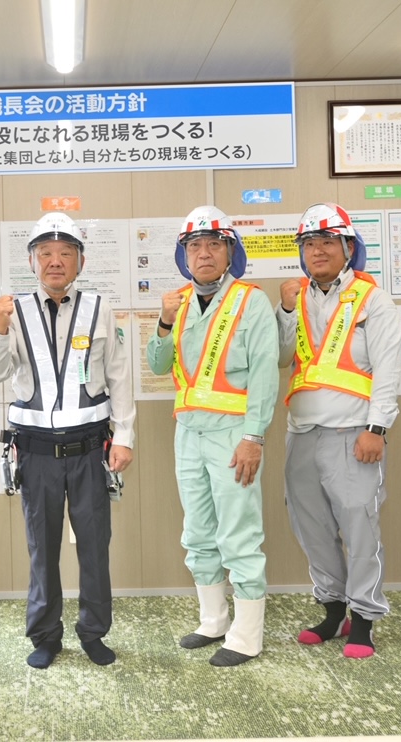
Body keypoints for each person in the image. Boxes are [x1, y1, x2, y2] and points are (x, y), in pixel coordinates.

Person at [0, 212, 136, 669]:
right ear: (32, 261)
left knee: (94, 546)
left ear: (80, 261)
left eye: (65, 253)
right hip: (36, 452)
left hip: (91, 449)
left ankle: (93, 631)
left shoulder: (99, 308)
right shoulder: (14, 312)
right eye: (46, 253)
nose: (55, 261)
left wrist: (125, 436)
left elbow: (119, 376)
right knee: (42, 548)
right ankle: (45, 635)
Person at [146, 205, 279, 666]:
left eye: (214, 245)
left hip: (234, 434)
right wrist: (163, 322)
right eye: (194, 246)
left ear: (229, 253)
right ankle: (213, 620)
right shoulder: (178, 303)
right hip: (188, 432)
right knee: (198, 531)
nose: (204, 253)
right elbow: (158, 366)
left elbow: (264, 374)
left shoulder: (251, 301)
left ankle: (247, 635)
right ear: (184, 255)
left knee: (239, 532)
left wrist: (254, 438)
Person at [277, 203, 401, 659]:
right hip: (302, 432)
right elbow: (281, 357)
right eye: (309, 243)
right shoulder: (297, 297)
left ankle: (364, 618)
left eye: (328, 241)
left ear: (349, 247)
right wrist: (285, 309)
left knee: (359, 526)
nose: (318, 250)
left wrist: (377, 428)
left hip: (354, 432)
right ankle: (333, 610)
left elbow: (389, 369)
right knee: (311, 527)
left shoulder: (373, 300)